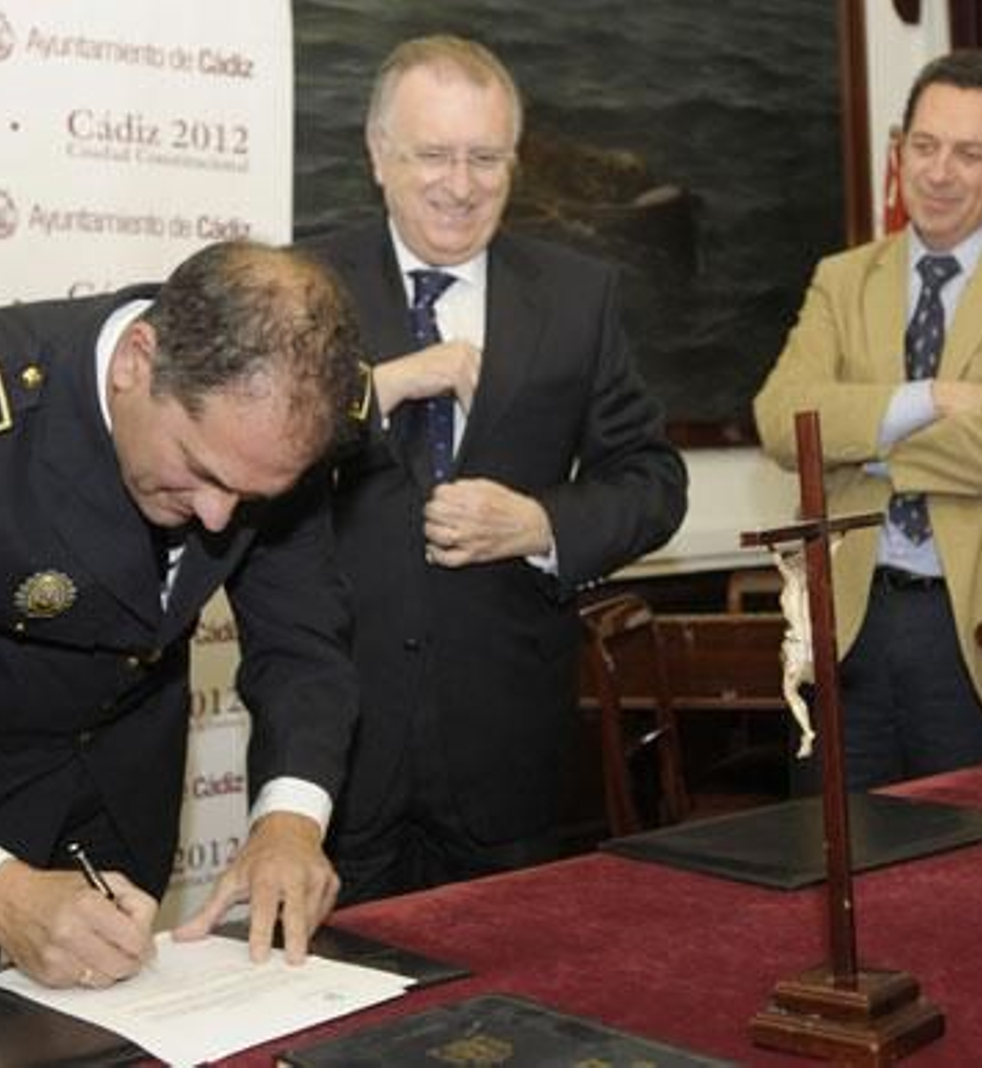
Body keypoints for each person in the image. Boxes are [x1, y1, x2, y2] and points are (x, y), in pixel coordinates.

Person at [0, 241, 366, 987]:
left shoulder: (276, 429)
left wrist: (290, 818)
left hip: (124, 816)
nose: (217, 518)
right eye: (200, 471)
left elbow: (302, 644)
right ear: (134, 363)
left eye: (251, 498)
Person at [307, 35, 689, 904]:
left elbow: (653, 480)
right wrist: (389, 385)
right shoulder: (305, 286)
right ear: (378, 157)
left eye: (486, 158)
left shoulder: (577, 296)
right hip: (334, 733)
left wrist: (542, 525)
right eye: (434, 154)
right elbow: (255, 458)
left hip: (506, 744)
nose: (461, 182)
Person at [753, 49, 982, 790]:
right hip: (845, 627)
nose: (939, 172)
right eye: (923, 145)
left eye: (970, 153)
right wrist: (931, 399)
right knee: (837, 882)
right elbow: (781, 420)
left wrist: (865, 445)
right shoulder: (841, 279)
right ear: (900, 147)